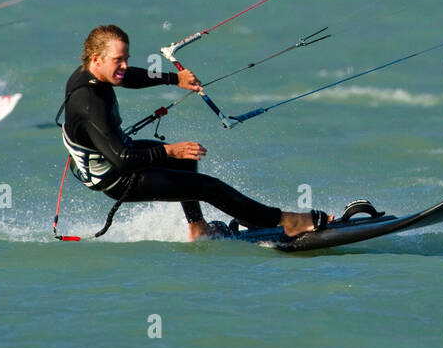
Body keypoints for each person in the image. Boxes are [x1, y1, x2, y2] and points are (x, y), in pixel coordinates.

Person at [61, 24, 330, 241]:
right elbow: (124, 160)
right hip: (113, 176)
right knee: (207, 187)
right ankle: (288, 221)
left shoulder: (94, 72)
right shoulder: (89, 102)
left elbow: (128, 77)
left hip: (113, 156)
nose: (123, 66)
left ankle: (198, 228)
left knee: (186, 157)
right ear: (96, 59)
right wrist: (168, 150)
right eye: (118, 61)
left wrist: (173, 79)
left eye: (126, 59)